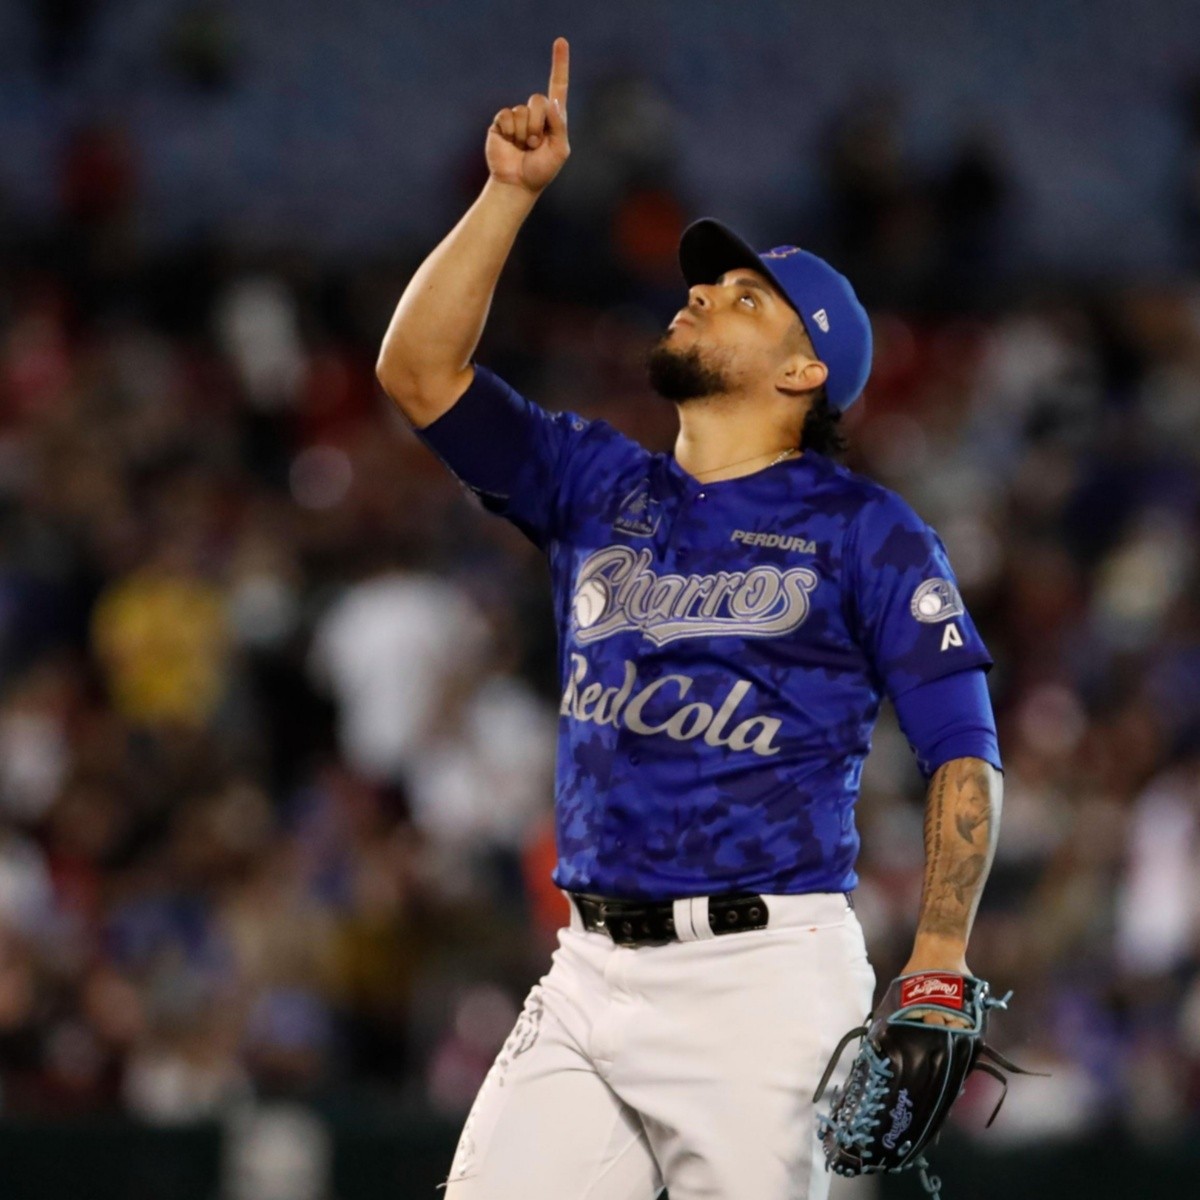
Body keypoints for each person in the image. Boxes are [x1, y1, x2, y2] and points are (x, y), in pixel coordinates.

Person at [375, 37, 1002, 1200]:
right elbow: (417, 372)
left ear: (806, 371)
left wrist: (941, 958)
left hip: (760, 981)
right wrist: (508, 197)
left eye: (745, 296)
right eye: (707, 283)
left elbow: (964, 750)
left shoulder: (868, 531)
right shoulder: (594, 484)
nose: (701, 292)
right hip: (589, 966)